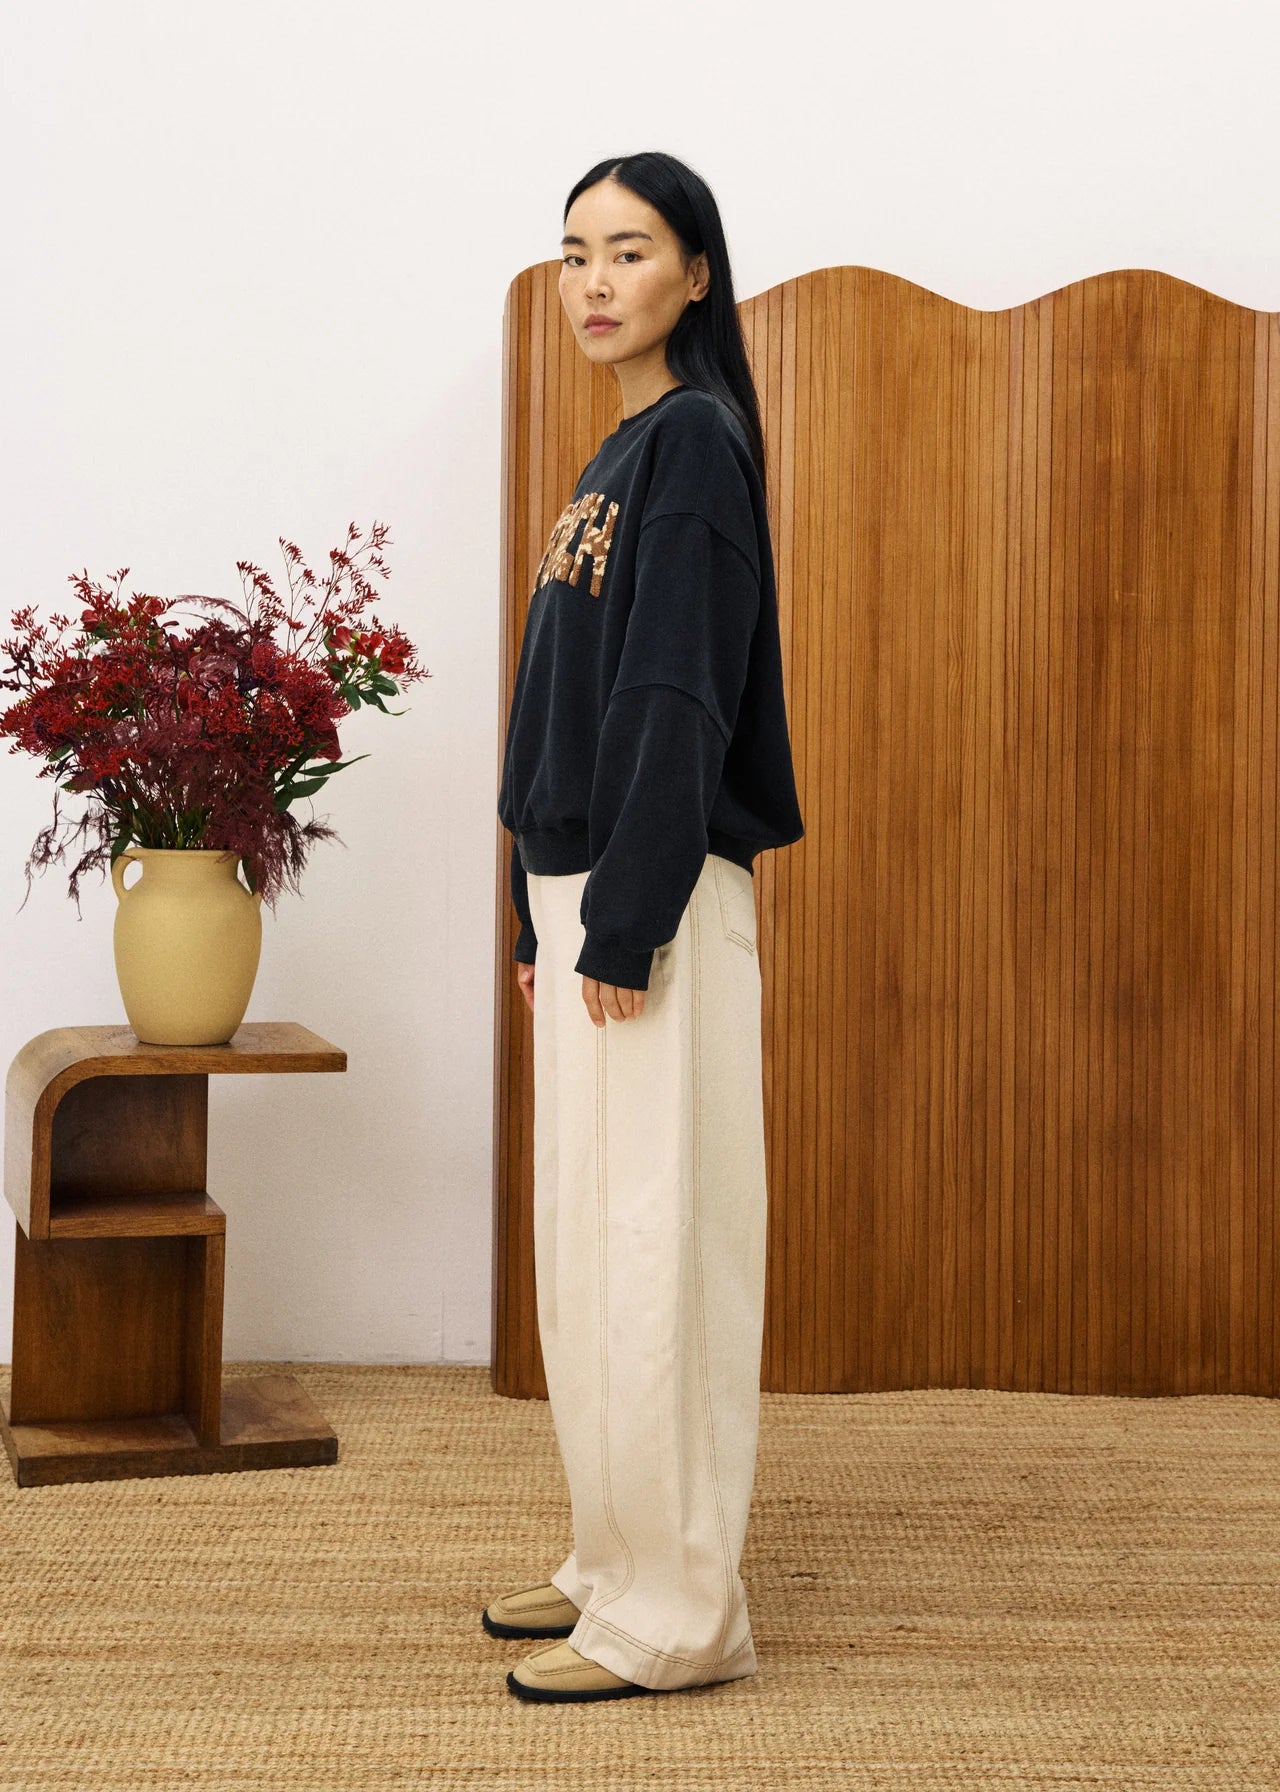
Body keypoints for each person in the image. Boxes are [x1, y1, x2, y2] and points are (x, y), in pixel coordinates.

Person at [492, 150, 804, 1703]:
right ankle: (612, 1562)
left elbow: (678, 692)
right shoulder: (618, 451)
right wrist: (539, 909)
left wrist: (620, 920)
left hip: (654, 899)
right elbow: (565, 704)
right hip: (592, 895)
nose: (594, 280)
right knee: (591, 1256)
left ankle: (683, 1615)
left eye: (628, 250)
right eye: (573, 254)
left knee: (656, 1251)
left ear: (696, 271)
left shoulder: (694, 446)